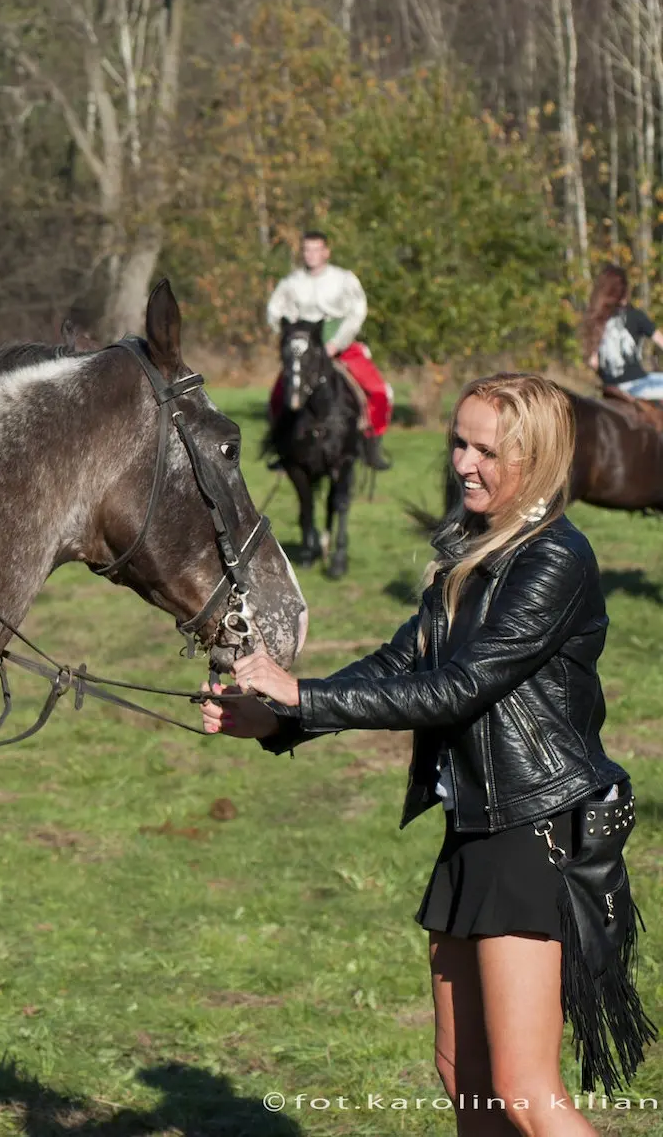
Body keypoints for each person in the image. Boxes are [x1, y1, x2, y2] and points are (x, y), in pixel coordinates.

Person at [204, 373, 652, 1129]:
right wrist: (280, 719)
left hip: (533, 829)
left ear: (537, 458)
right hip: (475, 823)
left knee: (522, 1087)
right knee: (464, 1077)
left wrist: (301, 695)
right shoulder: (472, 548)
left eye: (487, 451)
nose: (463, 464)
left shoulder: (554, 559)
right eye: (459, 442)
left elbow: (458, 689)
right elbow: (402, 663)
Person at [266, 230, 393, 469]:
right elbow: (274, 312)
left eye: (316, 249)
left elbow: (358, 311)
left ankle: (371, 447)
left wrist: (337, 343)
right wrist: (294, 336)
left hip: (341, 347)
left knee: (379, 391)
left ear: (326, 252)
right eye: (306, 249)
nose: (311, 254)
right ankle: (282, 449)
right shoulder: (291, 283)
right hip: (304, 350)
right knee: (277, 397)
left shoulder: (344, 279)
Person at [583, 264, 663, 401]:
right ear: (624, 290)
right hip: (636, 385)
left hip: (610, 388)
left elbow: (592, 362)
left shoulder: (599, 318)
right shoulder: (636, 316)